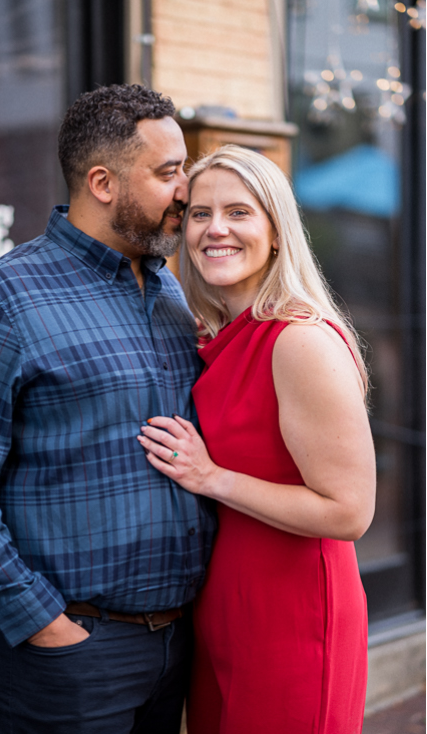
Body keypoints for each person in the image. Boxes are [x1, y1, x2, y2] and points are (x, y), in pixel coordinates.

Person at [0, 84, 216, 733]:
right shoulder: (0, 301)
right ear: (102, 182)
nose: (187, 192)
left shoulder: (172, 293)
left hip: (177, 644)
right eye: (169, 173)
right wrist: (41, 621)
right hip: (69, 656)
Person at [138, 145, 374, 733]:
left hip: (294, 618)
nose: (215, 229)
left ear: (275, 232)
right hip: (225, 613)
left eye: (239, 212)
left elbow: (349, 512)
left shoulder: (299, 341)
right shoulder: (225, 335)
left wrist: (211, 476)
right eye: (199, 213)